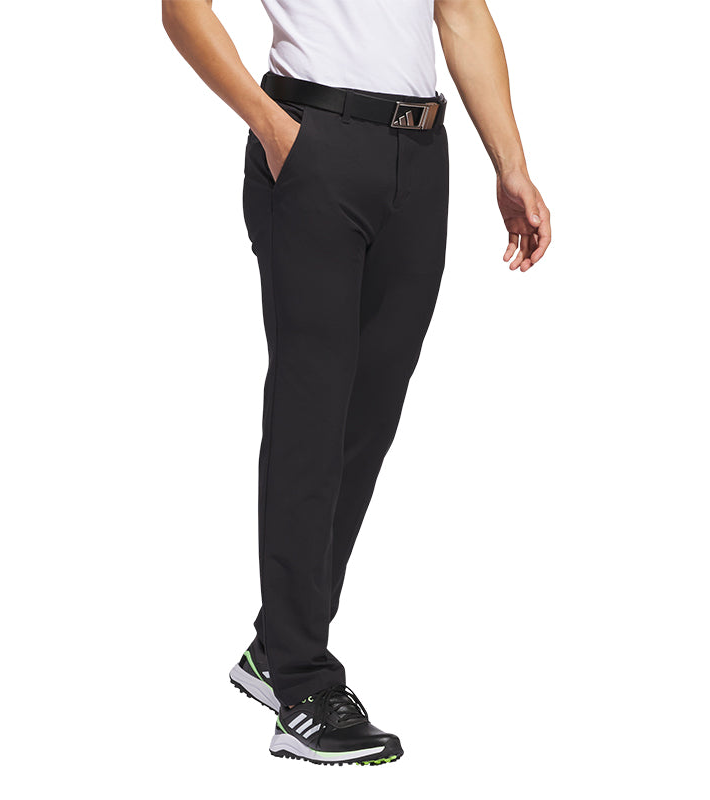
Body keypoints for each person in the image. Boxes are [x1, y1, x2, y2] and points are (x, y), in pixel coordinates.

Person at [162, 0, 551, 766]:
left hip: (421, 154)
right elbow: (183, 10)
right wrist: (274, 130)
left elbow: (461, 15)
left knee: (366, 422)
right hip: (313, 142)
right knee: (311, 415)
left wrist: (510, 163)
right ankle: (302, 685)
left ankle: (278, 645)